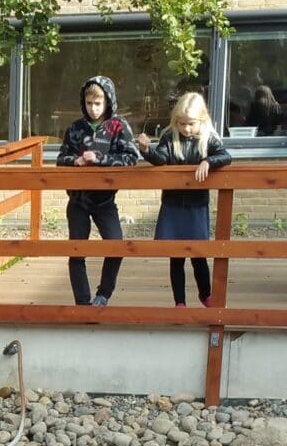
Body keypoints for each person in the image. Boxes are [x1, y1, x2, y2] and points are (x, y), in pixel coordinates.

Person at [140, 92, 233, 307]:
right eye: (181, 124)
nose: (186, 129)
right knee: (176, 257)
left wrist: (208, 161)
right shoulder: (169, 137)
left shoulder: (208, 138)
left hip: (196, 205)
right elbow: (161, 159)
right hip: (173, 205)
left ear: (201, 120)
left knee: (199, 255)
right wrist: (146, 150)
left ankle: (206, 295)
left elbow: (226, 156)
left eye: (191, 124)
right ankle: (179, 302)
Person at [55, 76, 141, 307]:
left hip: (105, 201)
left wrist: (100, 158)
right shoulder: (75, 128)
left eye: (98, 103)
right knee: (77, 250)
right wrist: (75, 161)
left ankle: (103, 294)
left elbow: (131, 158)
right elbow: (61, 159)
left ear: (107, 102)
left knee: (116, 245)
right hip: (78, 200)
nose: (93, 108)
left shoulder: (118, 126)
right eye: (89, 103)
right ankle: (82, 303)